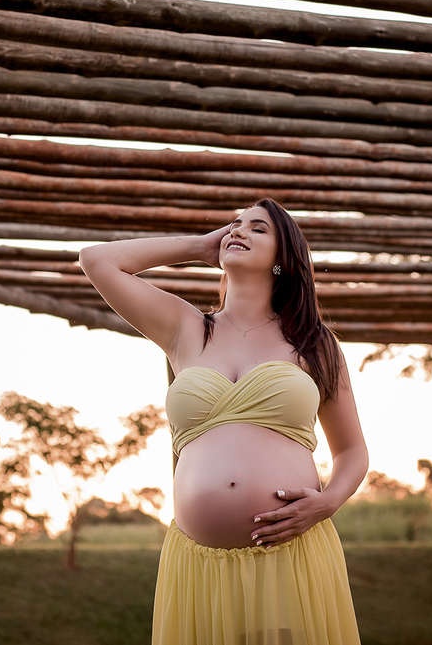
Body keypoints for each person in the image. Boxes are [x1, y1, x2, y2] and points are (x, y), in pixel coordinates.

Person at [79, 198, 367, 645]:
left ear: (283, 259)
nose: (238, 231)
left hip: (286, 555)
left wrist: (327, 503)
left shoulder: (314, 342)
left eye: (258, 229)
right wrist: (199, 245)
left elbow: (351, 451)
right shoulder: (186, 328)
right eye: (234, 224)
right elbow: (98, 260)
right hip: (197, 567)